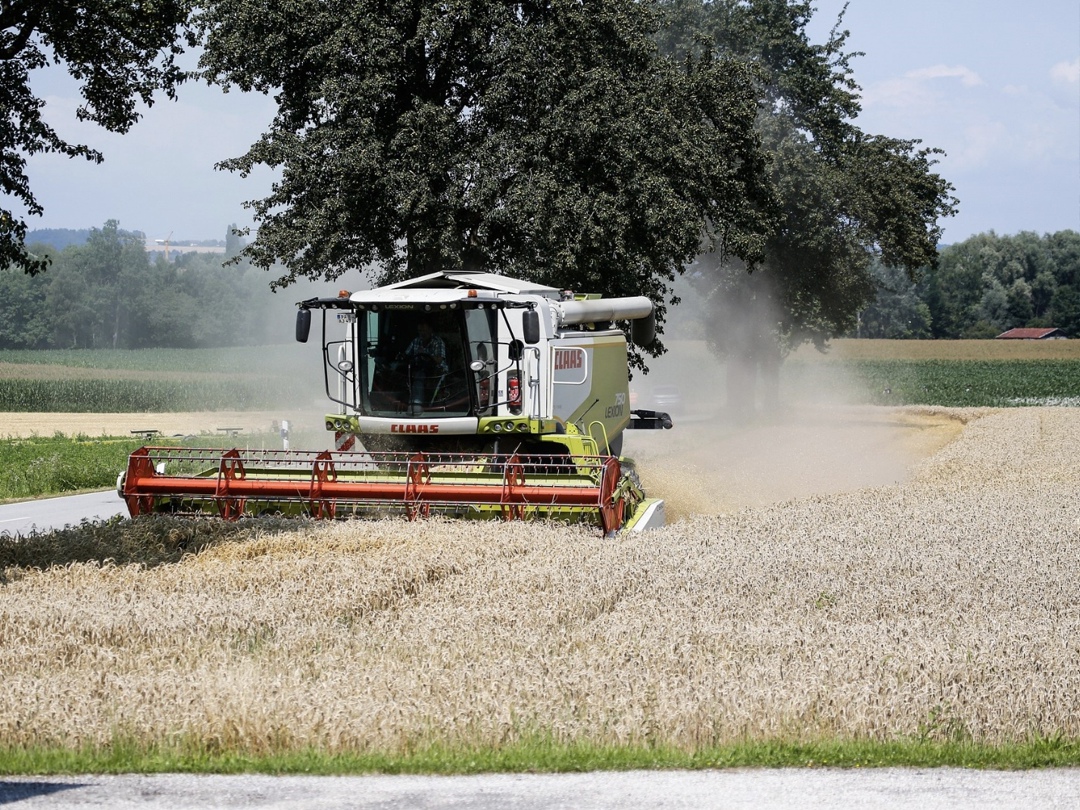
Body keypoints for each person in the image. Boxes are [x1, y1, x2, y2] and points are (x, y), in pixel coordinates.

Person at [403, 319, 448, 414]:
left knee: (420, 376)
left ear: (430, 330)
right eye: (420, 331)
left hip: (437, 371)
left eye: (424, 330)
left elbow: (439, 360)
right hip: (419, 368)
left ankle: (416, 403)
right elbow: (406, 355)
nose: (422, 333)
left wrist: (425, 353)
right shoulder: (416, 341)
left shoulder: (438, 342)